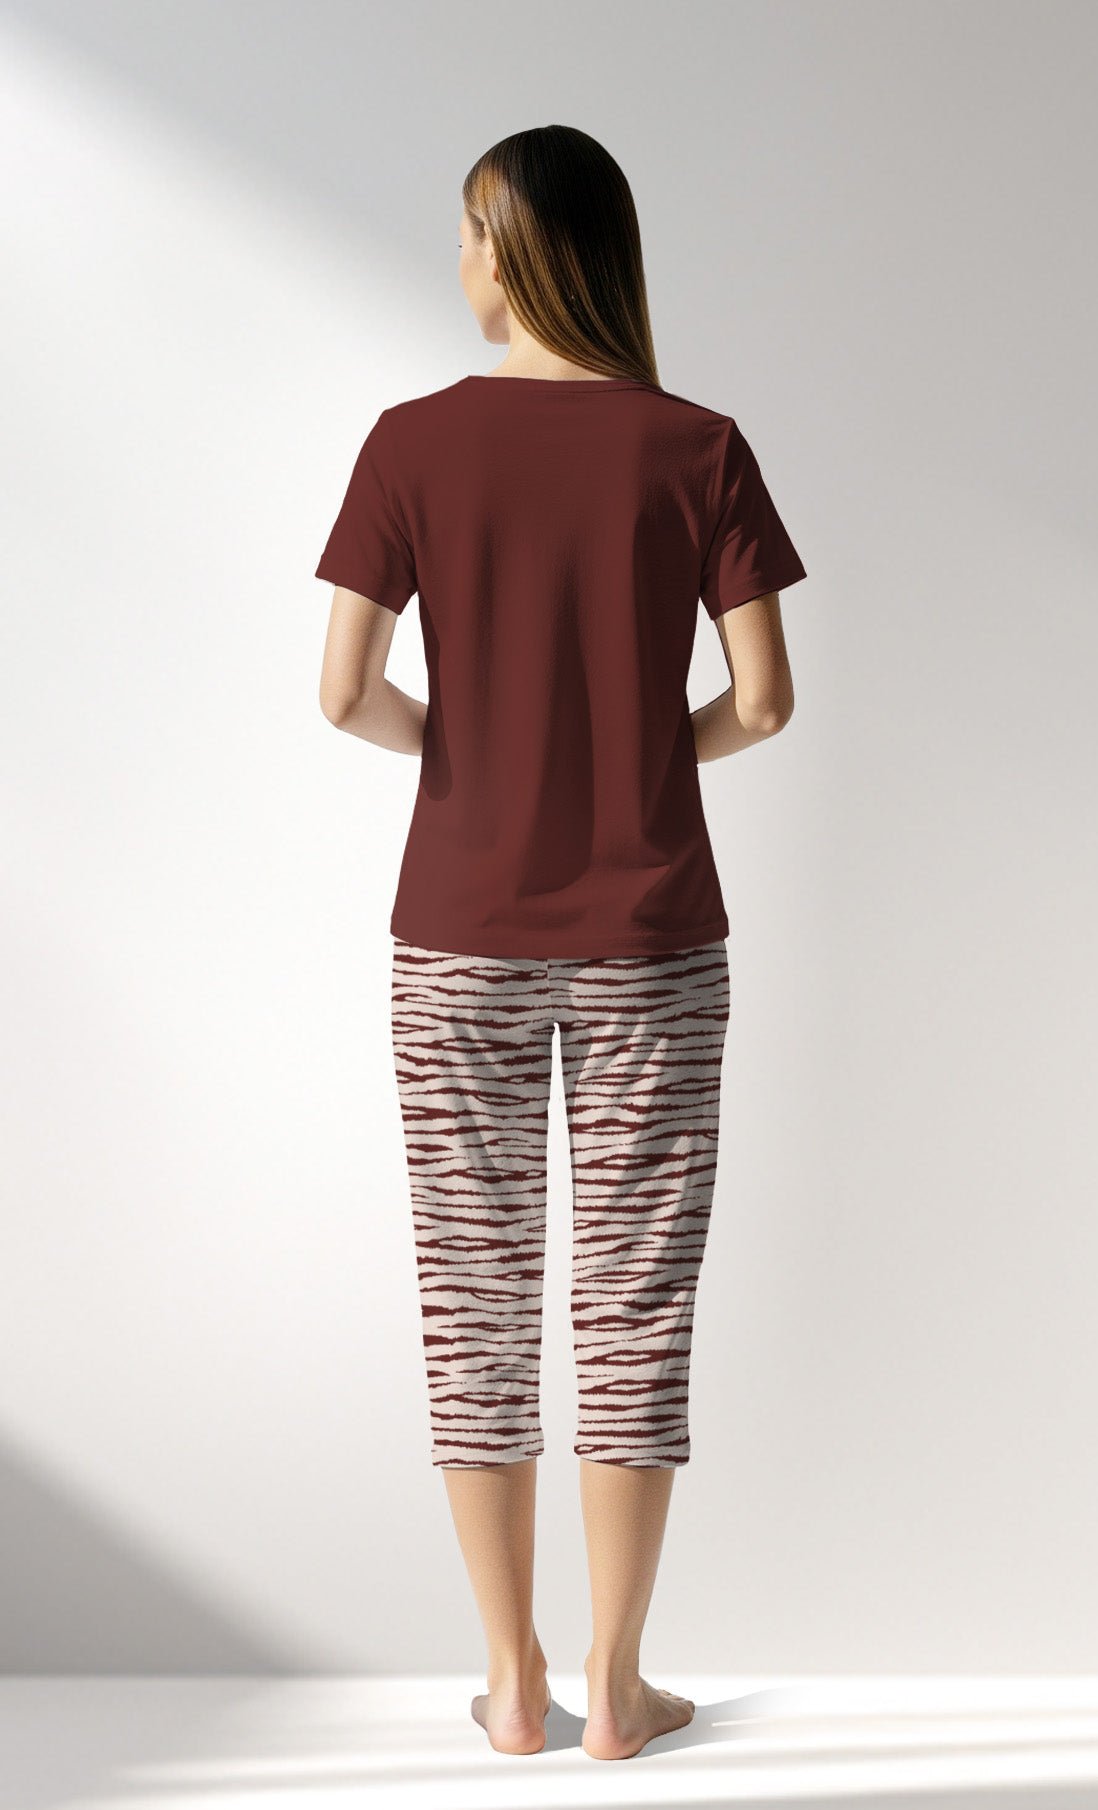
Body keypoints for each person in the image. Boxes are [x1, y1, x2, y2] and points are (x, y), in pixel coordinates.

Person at [313, 124, 807, 1761]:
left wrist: (461, 752)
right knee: (632, 1305)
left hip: (454, 932)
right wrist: (642, 758)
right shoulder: (697, 446)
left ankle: (512, 1679)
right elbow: (762, 700)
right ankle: (622, 1681)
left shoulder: (410, 445)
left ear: (515, 249)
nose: (457, 258)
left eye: (469, 230)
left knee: (476, 1298)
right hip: (652, 936)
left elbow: (340, 690)